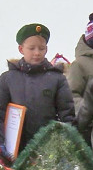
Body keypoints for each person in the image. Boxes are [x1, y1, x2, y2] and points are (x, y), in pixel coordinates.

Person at [0, 23, 75, 161]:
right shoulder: (8, 79)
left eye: (41, 48)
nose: (37, 52)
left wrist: (65, 143)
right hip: (15, 152)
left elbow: (67, 114)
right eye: (31, 48)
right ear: (21, 49)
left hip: (47, 152)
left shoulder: (56, 79)